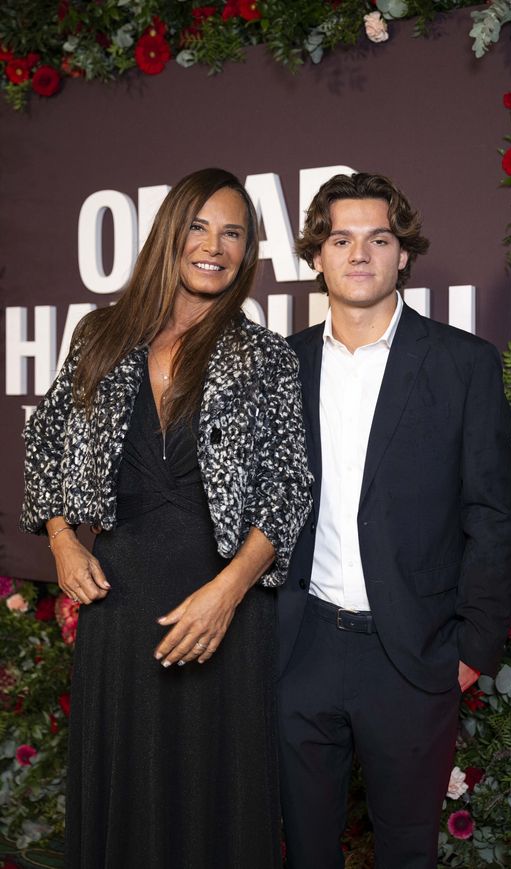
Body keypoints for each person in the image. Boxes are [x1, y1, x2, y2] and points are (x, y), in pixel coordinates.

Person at [20, 168, 312, 869]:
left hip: (225, 614)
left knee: (219, 799)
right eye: (199, 226)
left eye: (233, 232)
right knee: (124, 798)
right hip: (118, 609)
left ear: (249, 250)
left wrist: (227, 593)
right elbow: (45, 443)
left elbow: (289, 490)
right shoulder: (101, 333)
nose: (214, 245)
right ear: (169, 234)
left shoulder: (266, 357)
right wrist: (61, 539)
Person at [277, 172, 511, 869]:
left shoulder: (463, 365)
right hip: (302, 650)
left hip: (413, 656)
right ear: (317, 256)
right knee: (304, 851)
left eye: (377, 238)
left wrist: (471, 652)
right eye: (341, 238)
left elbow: (492, 515)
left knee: (408, 850)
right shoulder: (281, 369)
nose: (359, 254)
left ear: (402, 252)